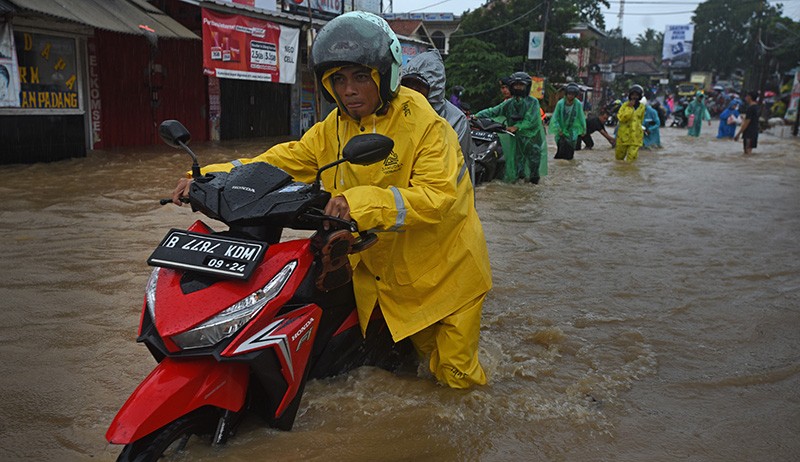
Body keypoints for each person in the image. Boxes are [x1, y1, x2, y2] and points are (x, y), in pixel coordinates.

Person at [172, 11, 492, 389]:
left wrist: (357, 202)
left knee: (457, 382)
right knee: (422, 370)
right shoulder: (334, 129)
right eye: (338, 79)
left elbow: (437, 199)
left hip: (447, 276)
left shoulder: (427, 127)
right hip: (391, 280)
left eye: (360, 76)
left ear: (384, 75)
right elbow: (281, 161)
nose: (348, 90)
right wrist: (211, 176)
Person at [400, 49, 472, 173]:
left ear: (434, 88)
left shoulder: (456, 121)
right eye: (408, 84)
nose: (412, 91)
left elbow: (458, 168)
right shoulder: (399, 111)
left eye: (418, 86)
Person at [475, 72, 548, 183]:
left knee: (533, 167)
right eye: (516, 85)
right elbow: (494, 111)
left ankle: (532, 191)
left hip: (532, 140)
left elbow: (530, 120)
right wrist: (476, 115)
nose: (518, 88)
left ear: (527, 86)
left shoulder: (533, 102)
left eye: (521, 85)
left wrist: (516, 127)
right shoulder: (509, 102)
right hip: (517, 140)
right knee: (518, 167)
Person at [550, 82, 586, 160]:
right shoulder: (560, 104)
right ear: (566, 94)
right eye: (569, 94)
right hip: (561, 130)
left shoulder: (578, 104)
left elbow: (581, 117)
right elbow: (555, 117)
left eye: (573, 94)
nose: (571, 96)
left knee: (570, 152)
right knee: (560, 150)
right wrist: (558, 129)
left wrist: (583, 129)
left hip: (572, 131)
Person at [615, 84, 646, 163]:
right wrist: (629, 108)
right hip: (623, 135)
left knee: (631, 159)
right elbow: (621, 118)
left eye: (637, 95)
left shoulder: (642, 107)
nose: (634, 97)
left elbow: (641, 120)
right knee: (619, 158)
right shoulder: (624, 106)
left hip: (635, 136)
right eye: (633, 95)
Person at [734, 91, 760, 155]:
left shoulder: (750, 108)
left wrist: (738, 134)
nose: (745, 98)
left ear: (749, 97)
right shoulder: (757, 107)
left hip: (749, 133)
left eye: (746, 96)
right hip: (754, 131)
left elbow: (746, 123)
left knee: (747, 152)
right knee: (749, 151)